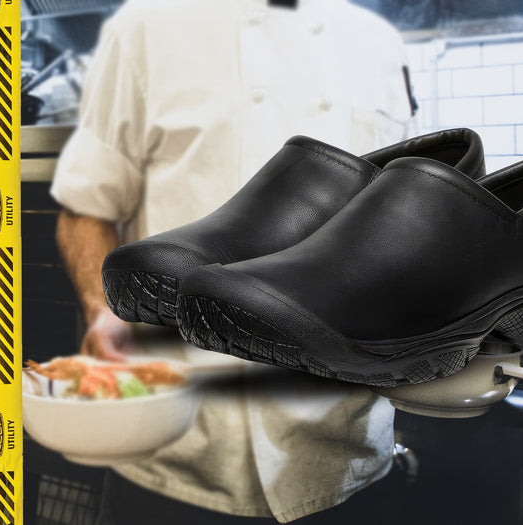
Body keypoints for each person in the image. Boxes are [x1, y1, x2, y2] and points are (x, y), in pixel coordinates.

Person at [51, 0, 414, 523]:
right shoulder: (146, 28)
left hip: (344, 453)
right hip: (173, 447)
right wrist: (103, 311)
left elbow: (405, 224)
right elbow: (86, 210)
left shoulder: (378, 42)